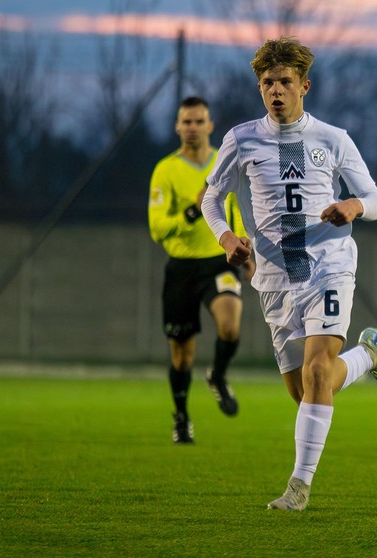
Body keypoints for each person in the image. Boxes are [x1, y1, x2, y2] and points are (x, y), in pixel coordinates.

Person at [200, 37, 377, 511]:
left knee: (314, 371)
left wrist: (353, 205)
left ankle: (299, 486)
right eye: (267, 82)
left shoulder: (333, 139)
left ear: (304, 85)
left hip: (329, 266)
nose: (275, 91)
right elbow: (210, 199)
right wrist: (228, 239)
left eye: (285, 82)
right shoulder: (241, 139)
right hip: (273, 277)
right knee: (308, 388)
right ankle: (367, 358)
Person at [148, 96, 253, 445]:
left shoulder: (223, 166)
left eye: (199, 121)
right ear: (178, 127)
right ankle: (181, 418)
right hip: (181, 268)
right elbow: (157, 227)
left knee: (230, 324)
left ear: (210, 125)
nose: (192, 127)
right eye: (186, 122)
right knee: (182, 354)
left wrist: (243, 246)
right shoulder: (166, 170)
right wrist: (192, 213)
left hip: (216, 261)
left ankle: (218, 376)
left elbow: (234, 209)